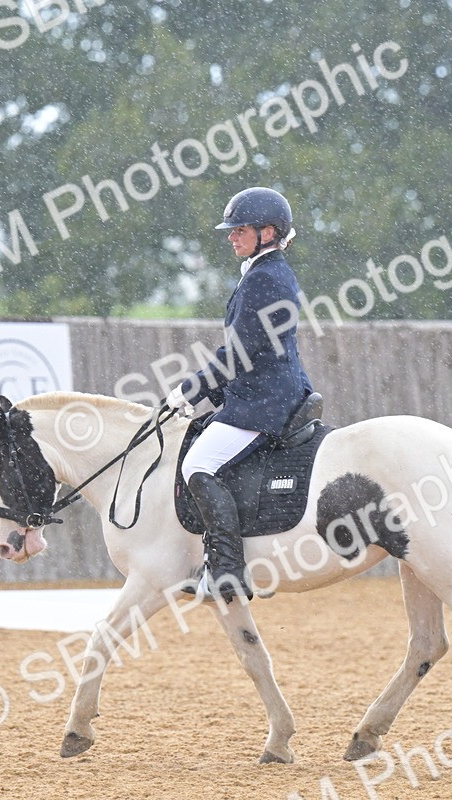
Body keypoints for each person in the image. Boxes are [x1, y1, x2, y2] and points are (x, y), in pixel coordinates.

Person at [165, 187, 314, 603]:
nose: (231, 236)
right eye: (232, 230)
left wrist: (191, 390)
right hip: (262, 392)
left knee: (198, 463)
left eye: (240, 229)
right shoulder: (264, 272)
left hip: (264, 401)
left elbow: (240, 352)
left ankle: (227, 570)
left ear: (269, 232)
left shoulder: (265, 278)